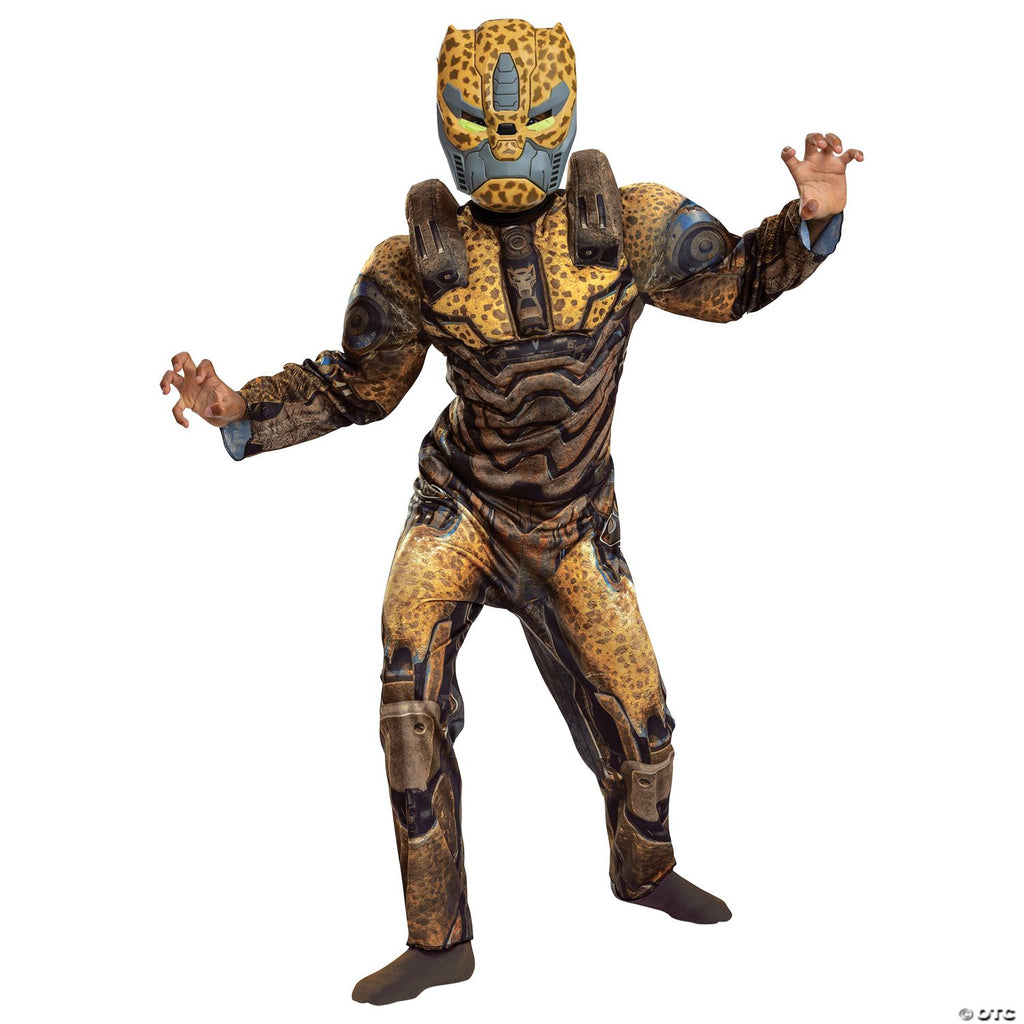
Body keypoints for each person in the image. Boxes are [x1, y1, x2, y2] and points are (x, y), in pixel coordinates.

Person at [160, 18, 862, 1006]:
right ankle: (438, 938)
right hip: (461, 511)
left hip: (571, 526)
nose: (500, 145)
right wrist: (242, 409)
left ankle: (642, 869)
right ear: (445, 124)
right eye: (478, 125)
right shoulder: (411, 264)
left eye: (522, 124)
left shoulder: (633, 226)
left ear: (561, 117)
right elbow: (357, 385)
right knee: (408, 700)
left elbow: (738, 278)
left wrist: (810, 223)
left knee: (647, 727)